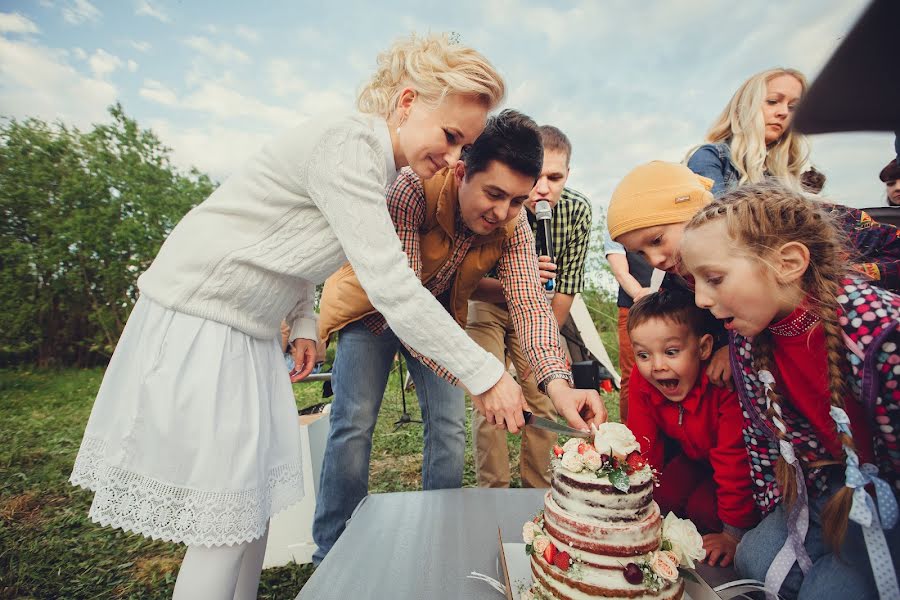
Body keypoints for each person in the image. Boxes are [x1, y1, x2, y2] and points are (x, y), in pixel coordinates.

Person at [67, 33, 529, 600]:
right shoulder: (348, 147)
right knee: (223, 521)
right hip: (203, 317)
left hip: (252, 329)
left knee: (251, 508)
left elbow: (287, 247)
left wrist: (304, 319)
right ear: (407, 102)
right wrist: (486, 374)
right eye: (451, 136)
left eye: (466, 146)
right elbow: (393, 288)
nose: (455, 158)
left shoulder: (376, 166)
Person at [312, 111, 606, 562]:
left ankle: (438, 540)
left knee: (448, 429)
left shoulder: (514, 226)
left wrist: (558, 384)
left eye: (516, 201)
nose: (502, 212)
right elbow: (403, 299)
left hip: (439, 318)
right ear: (462, 170)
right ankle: (333, 550)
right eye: (493, 194)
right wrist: (483, 374)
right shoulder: (410, 188)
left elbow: (530, 305)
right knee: (353, 424)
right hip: (375, 309)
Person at [679, 183, 899, 600]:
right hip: (820, 484)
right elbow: (763, 441)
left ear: (789, 262)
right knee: (755, 558)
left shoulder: (878, 330)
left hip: (884, 491)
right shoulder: (748, 338)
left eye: (714, 278)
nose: (702, 299)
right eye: (695, 282)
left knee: (828, 592)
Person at [466, 125, 593, 488]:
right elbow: (467, 283)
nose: (542, 188)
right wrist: (518, 277)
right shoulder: (501, 201)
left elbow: (566, 287)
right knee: (489, 391)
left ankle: (537, 490)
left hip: (539, 311)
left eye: (555, 177)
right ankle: (493, 490)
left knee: (544, 396)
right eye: (536, 177)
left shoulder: (577, 212)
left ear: (567, 175)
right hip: (487, 302)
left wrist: (545, 353)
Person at [606, 161, 900, 295]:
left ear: (694, 211)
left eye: (657, 240)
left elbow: (887, 245)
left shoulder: (777, 223)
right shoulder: (676, 283)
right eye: (640, 254)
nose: (654, 260)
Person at [625, 289, 758, 567]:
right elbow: (643, 443)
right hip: (692, 458)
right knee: (661, 500)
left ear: (704, 348)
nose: (657, 366)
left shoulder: (722, 384)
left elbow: (734, 457)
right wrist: (633, 504)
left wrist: (733, 533)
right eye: (643, 355)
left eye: (671, 352)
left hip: (727, 467)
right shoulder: (643, 379)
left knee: (703, 510)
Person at [686, 68, 809, 195]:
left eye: (792, 107)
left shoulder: (783, 176)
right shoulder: (711, 157)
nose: (784, 112)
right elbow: (714, 213)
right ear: (746, 106)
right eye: (772, 101)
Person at [602, 229, 663, 421]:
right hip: (632, 308)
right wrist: (642, 296)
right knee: (632, 373)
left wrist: (659, 293)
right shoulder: (614, 228)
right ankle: (630, 431)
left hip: (671, 303)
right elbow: (621, 272)